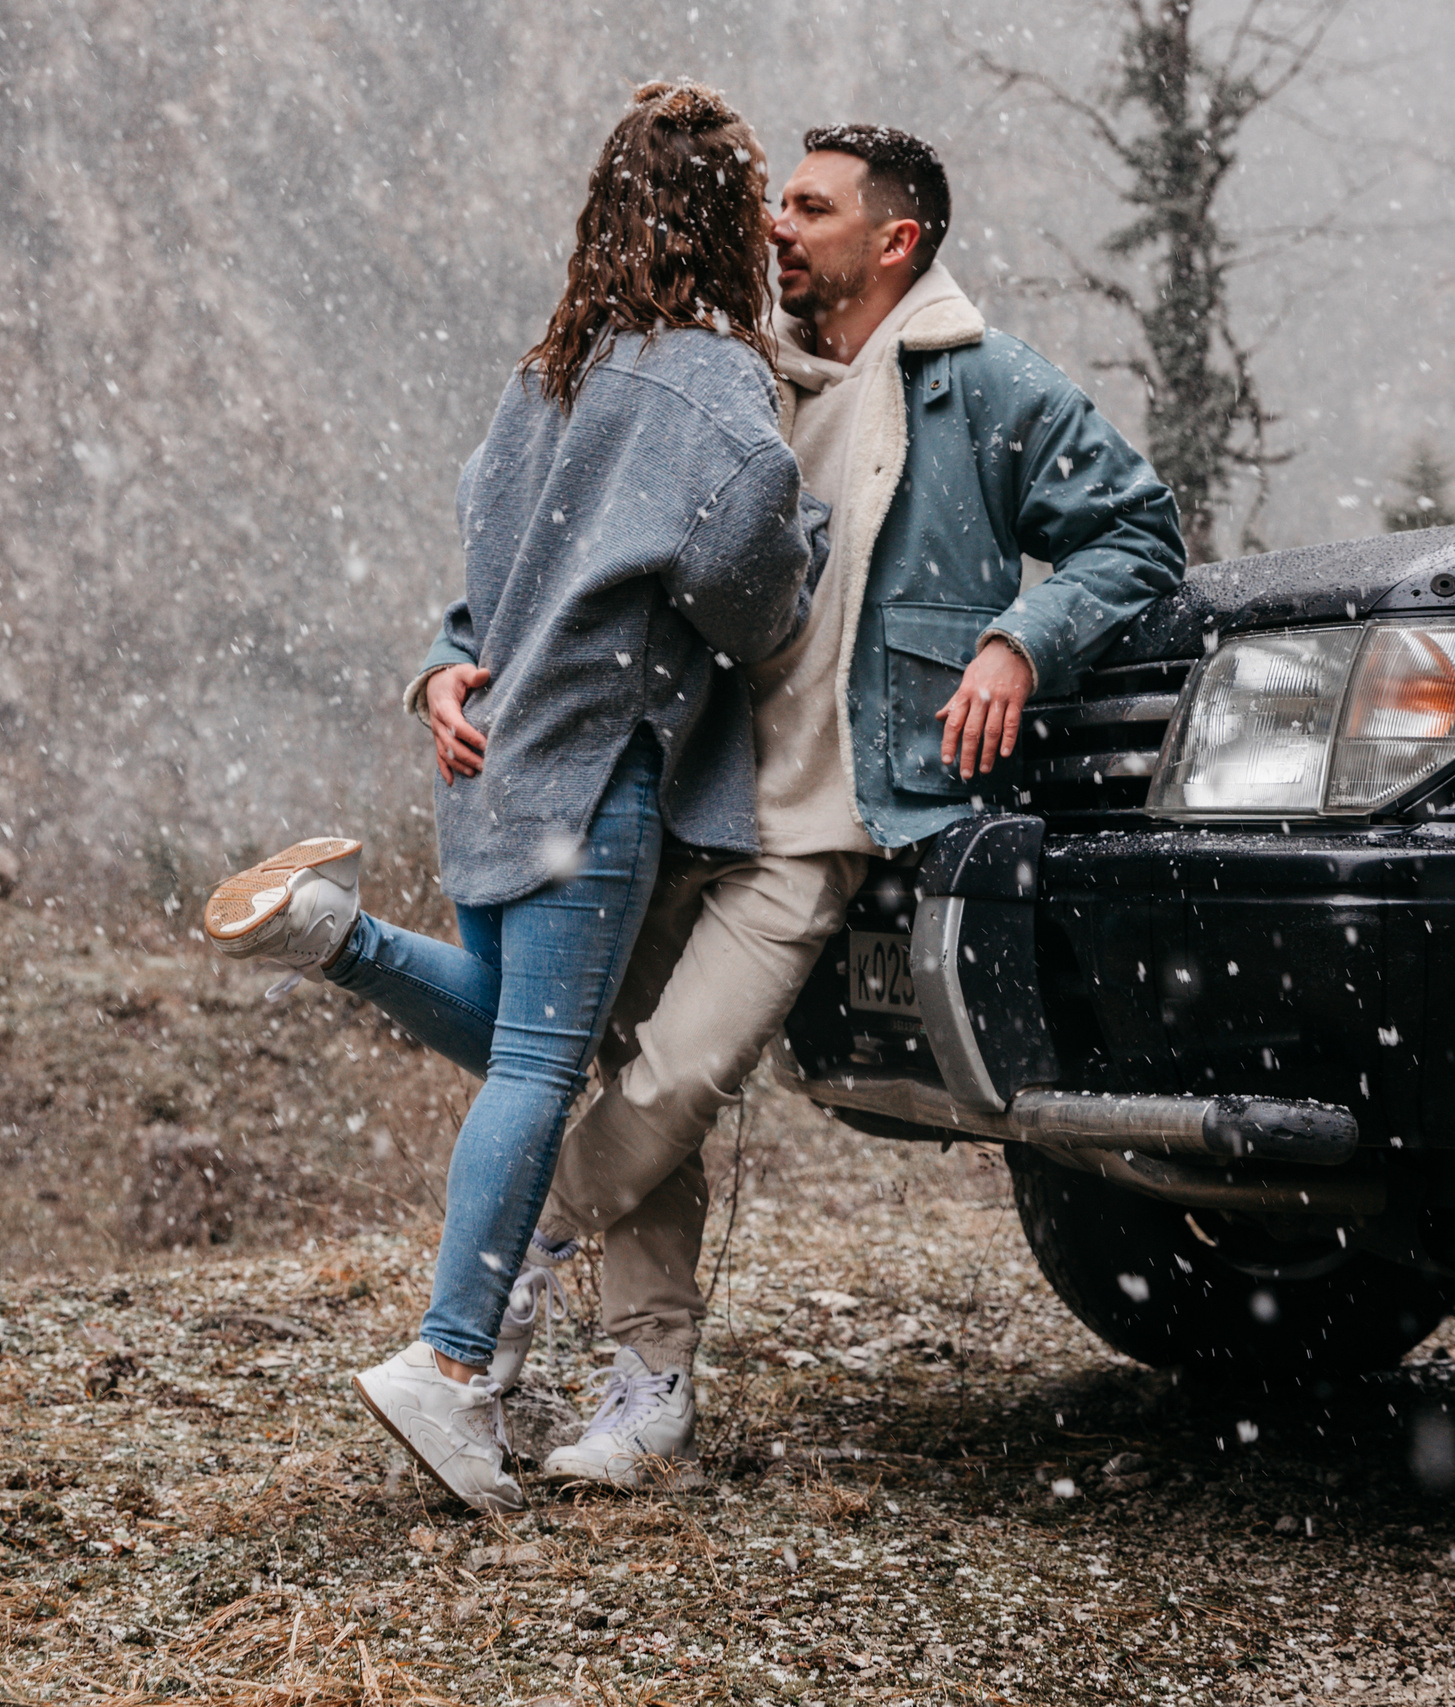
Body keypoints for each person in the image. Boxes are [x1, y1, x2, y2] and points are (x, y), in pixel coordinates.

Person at [495, 124, 1188, 1487]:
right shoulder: (734, 381)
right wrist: (453, 664)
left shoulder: (978, 384)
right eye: (776, 205)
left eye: (808, 209)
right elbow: (549, 534)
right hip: (674, 789)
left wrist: (1019, 640)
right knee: (636, 1079)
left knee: (683, 1076)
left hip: (824, 819)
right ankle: (649, 1390)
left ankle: (511, 1250)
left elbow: (1138, 530)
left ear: (896, 241)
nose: (775, 230)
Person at [202, 81, 826, 1514]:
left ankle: (331, 935)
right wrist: (806, 543)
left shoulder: (552, 370)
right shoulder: (715, 379)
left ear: (609, 210)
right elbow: (749, 597)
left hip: (491, 767)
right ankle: (455, 1364)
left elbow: (486, 573)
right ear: (729, 219)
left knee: (513, 1038)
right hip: (593, 771)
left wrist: (444, 664)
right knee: (539, 1071)